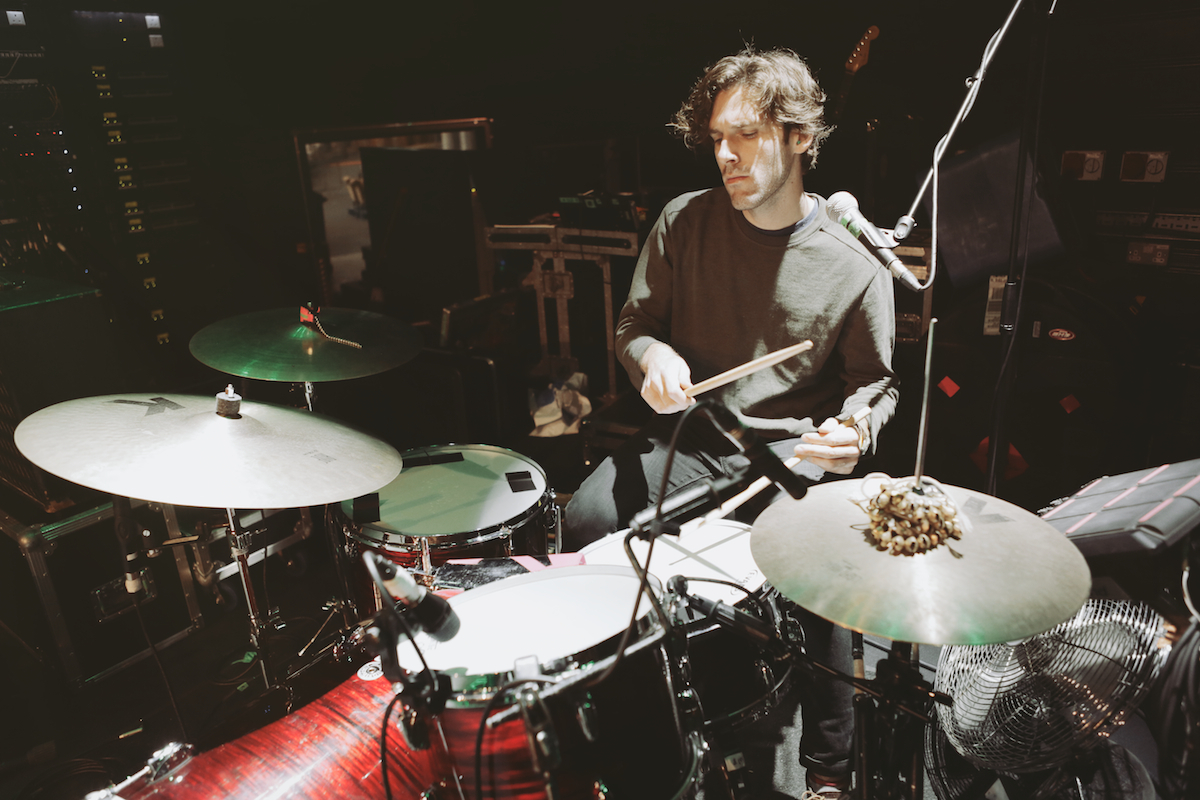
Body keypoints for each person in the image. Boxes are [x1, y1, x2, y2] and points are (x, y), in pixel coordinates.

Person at [563, 46, 900, 798]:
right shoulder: (684, 222)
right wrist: (650, 358)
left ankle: (828, 770)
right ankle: (635, 712)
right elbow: (632, 325)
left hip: (792, 454)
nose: (724, 153)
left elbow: (876, 385)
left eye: (745, 134)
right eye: (716, 136)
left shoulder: (856, 260)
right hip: (697, 437)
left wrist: (854, 432)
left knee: (819, 572)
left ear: (800, 137)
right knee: (585, 520)